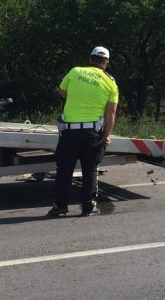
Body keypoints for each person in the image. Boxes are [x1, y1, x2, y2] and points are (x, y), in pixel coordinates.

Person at [45, 46, 119, 218]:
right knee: (90, 170)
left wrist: (75, 98)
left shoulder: (75, 71)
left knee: (64, 170)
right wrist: (106, 136)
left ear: (90, 59)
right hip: (92, 133)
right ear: (106, 63)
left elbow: (62, 91)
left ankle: (60, 207)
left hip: (69, 131)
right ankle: (88, 207)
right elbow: (111, 113)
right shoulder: (110, 82)